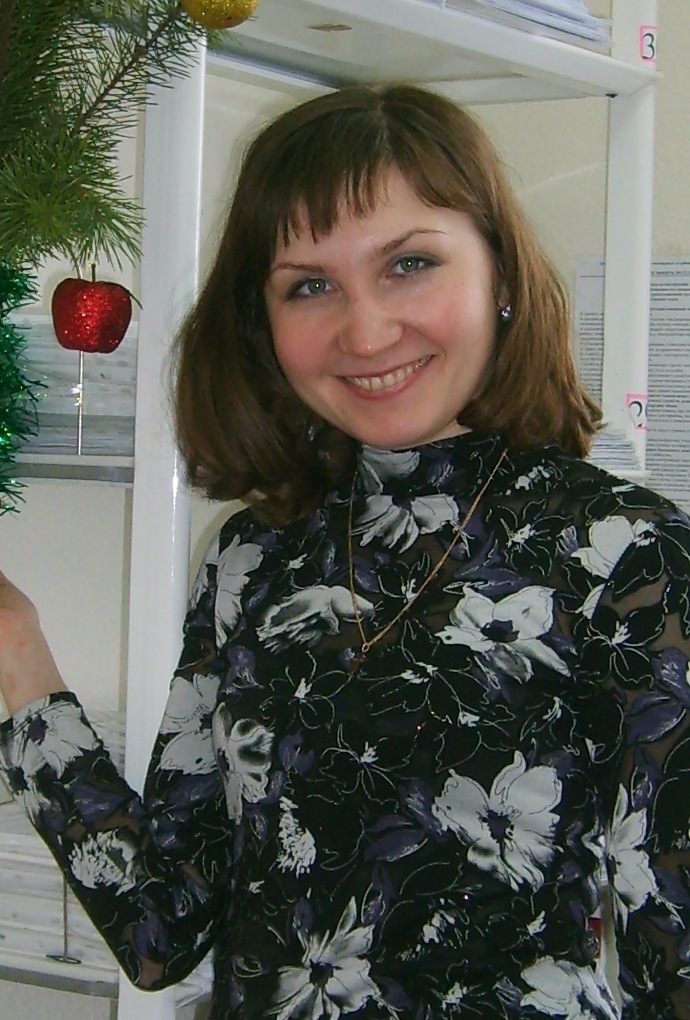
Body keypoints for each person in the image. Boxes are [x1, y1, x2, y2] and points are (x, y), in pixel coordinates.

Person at [0, 83, 689, 1020]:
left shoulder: (630, 559)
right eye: (310, 285)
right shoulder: (252, 558)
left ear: (502, 278)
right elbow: (160, 928)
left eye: (410, 263)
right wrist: (17, 647)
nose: (365, 331)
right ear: (262, 324)